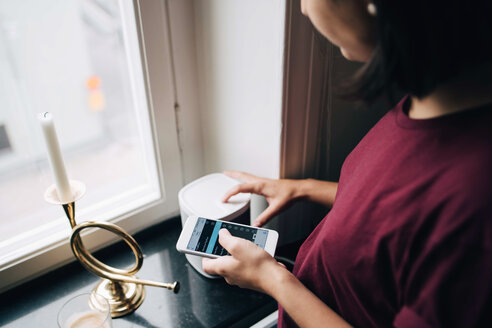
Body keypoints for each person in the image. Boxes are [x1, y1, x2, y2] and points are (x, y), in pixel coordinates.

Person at [202, 0, 492, 327]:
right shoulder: (431, 102)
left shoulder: (475, 213)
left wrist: (274, 280)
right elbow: (398, 215)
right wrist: (304, 188)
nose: (303, 10)